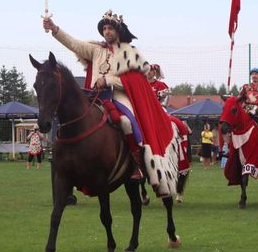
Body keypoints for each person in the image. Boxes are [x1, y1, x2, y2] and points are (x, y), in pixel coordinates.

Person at [43, 10, 176, 196]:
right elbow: (73, 44)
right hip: (94, 97)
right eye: (104, 28)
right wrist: (54, 29)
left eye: (110, 28)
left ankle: (137, 164)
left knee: (127, 122)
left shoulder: (129, 53)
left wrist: (108, 81)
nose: (106, 32)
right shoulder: (96, 49)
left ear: (118, 31)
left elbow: (136, 82)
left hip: (118, 96)